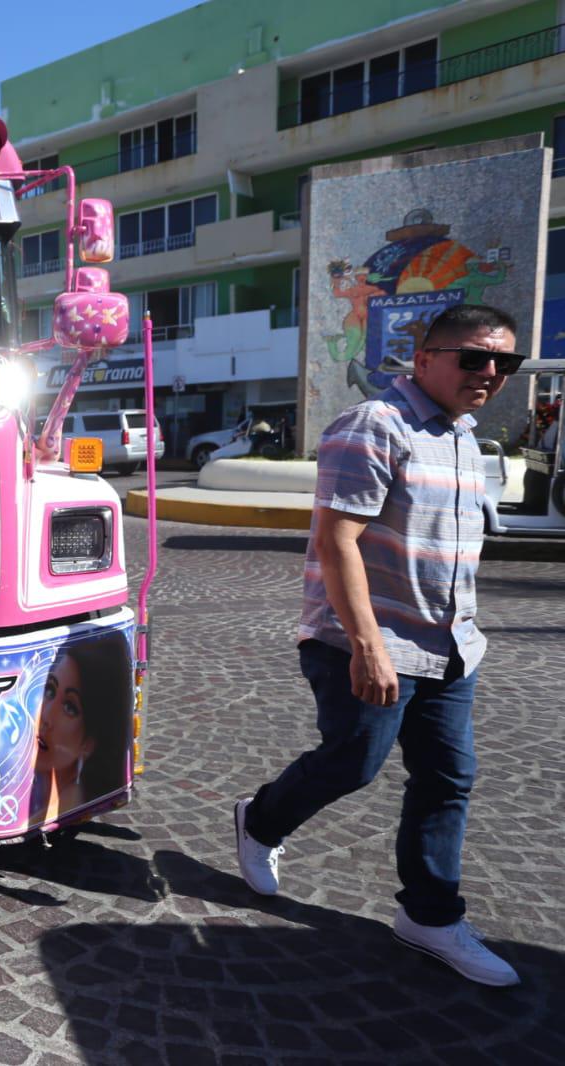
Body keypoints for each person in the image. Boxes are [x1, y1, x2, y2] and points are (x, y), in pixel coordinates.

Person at [233, 304, 524, 988]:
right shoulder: (374, 426)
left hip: (450, 646)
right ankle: (260, 819)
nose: (488, 374)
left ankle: (429, 914)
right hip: (367, 641)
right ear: (424, 358)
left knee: (447, 777)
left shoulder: (462, 438)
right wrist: (367, 645)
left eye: (502, 363)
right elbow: (336, 541)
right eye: (473, 357)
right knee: (351, 763)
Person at [28, 632, 132, 824]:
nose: (46, 716)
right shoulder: (40, 795)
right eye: (50, 690)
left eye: (69, 707)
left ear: (89, 743)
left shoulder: (56, 809)